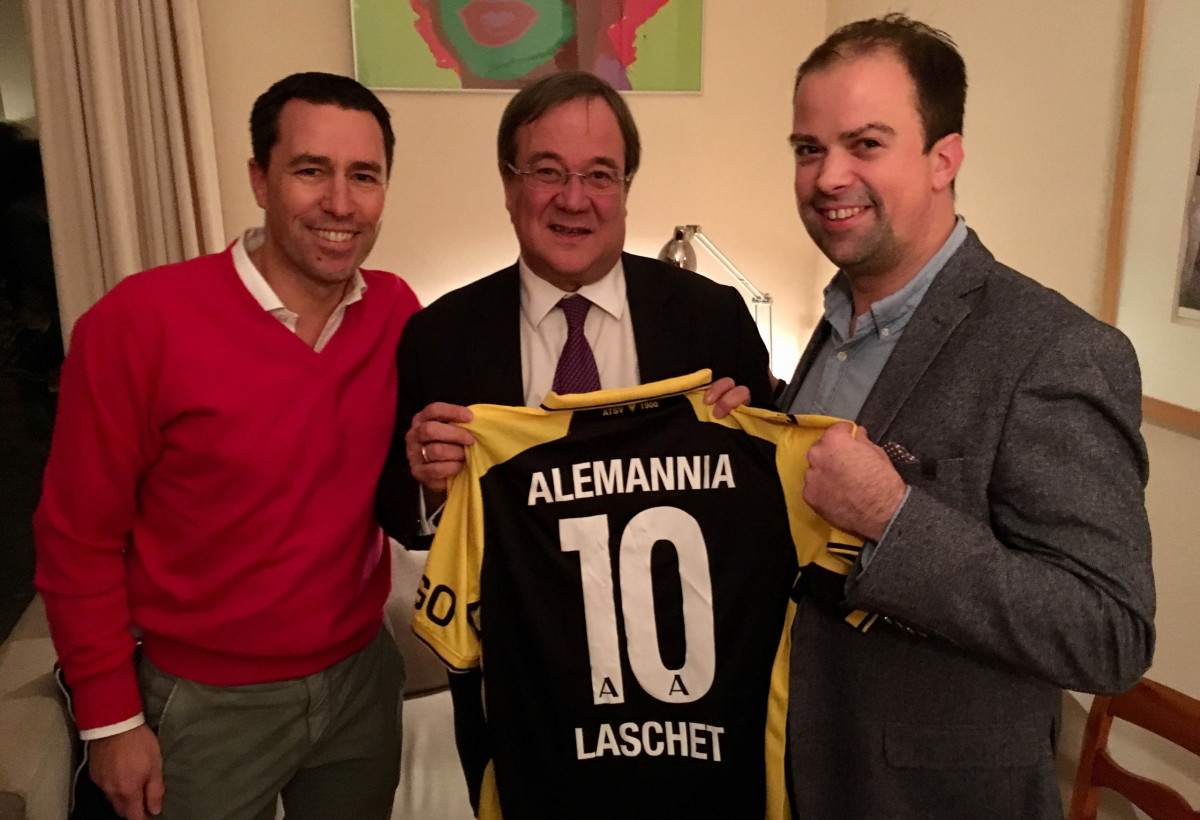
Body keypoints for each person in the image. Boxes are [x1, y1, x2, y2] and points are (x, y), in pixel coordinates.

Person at [775, 15, 1156, 819]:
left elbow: (1109, 634)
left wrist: (894, 517)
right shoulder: (835, 327)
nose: (829, 175)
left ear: (944, 158)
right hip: (801, 781)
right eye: (809, 148)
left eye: (865, 144)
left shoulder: (1055, 349)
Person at [375, 70, 773, 811]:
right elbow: (399, 513)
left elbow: (768, 516)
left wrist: (750, 444)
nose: (574, 198)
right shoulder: (441, 334)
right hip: (523, 701)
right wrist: (428, 485)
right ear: (508, 184)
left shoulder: (711, 318)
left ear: (626, 188)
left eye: (599, 175)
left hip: (693, 704)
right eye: (547, 171)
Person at [34, 72, 420, 820]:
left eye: (364, 176)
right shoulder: (137, 323)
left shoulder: (397, 313)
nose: (340, 203)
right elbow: (75, 535)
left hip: (361, 684)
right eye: (311, 170)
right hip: (202, 701)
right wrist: (109, 721)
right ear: (259, 180)